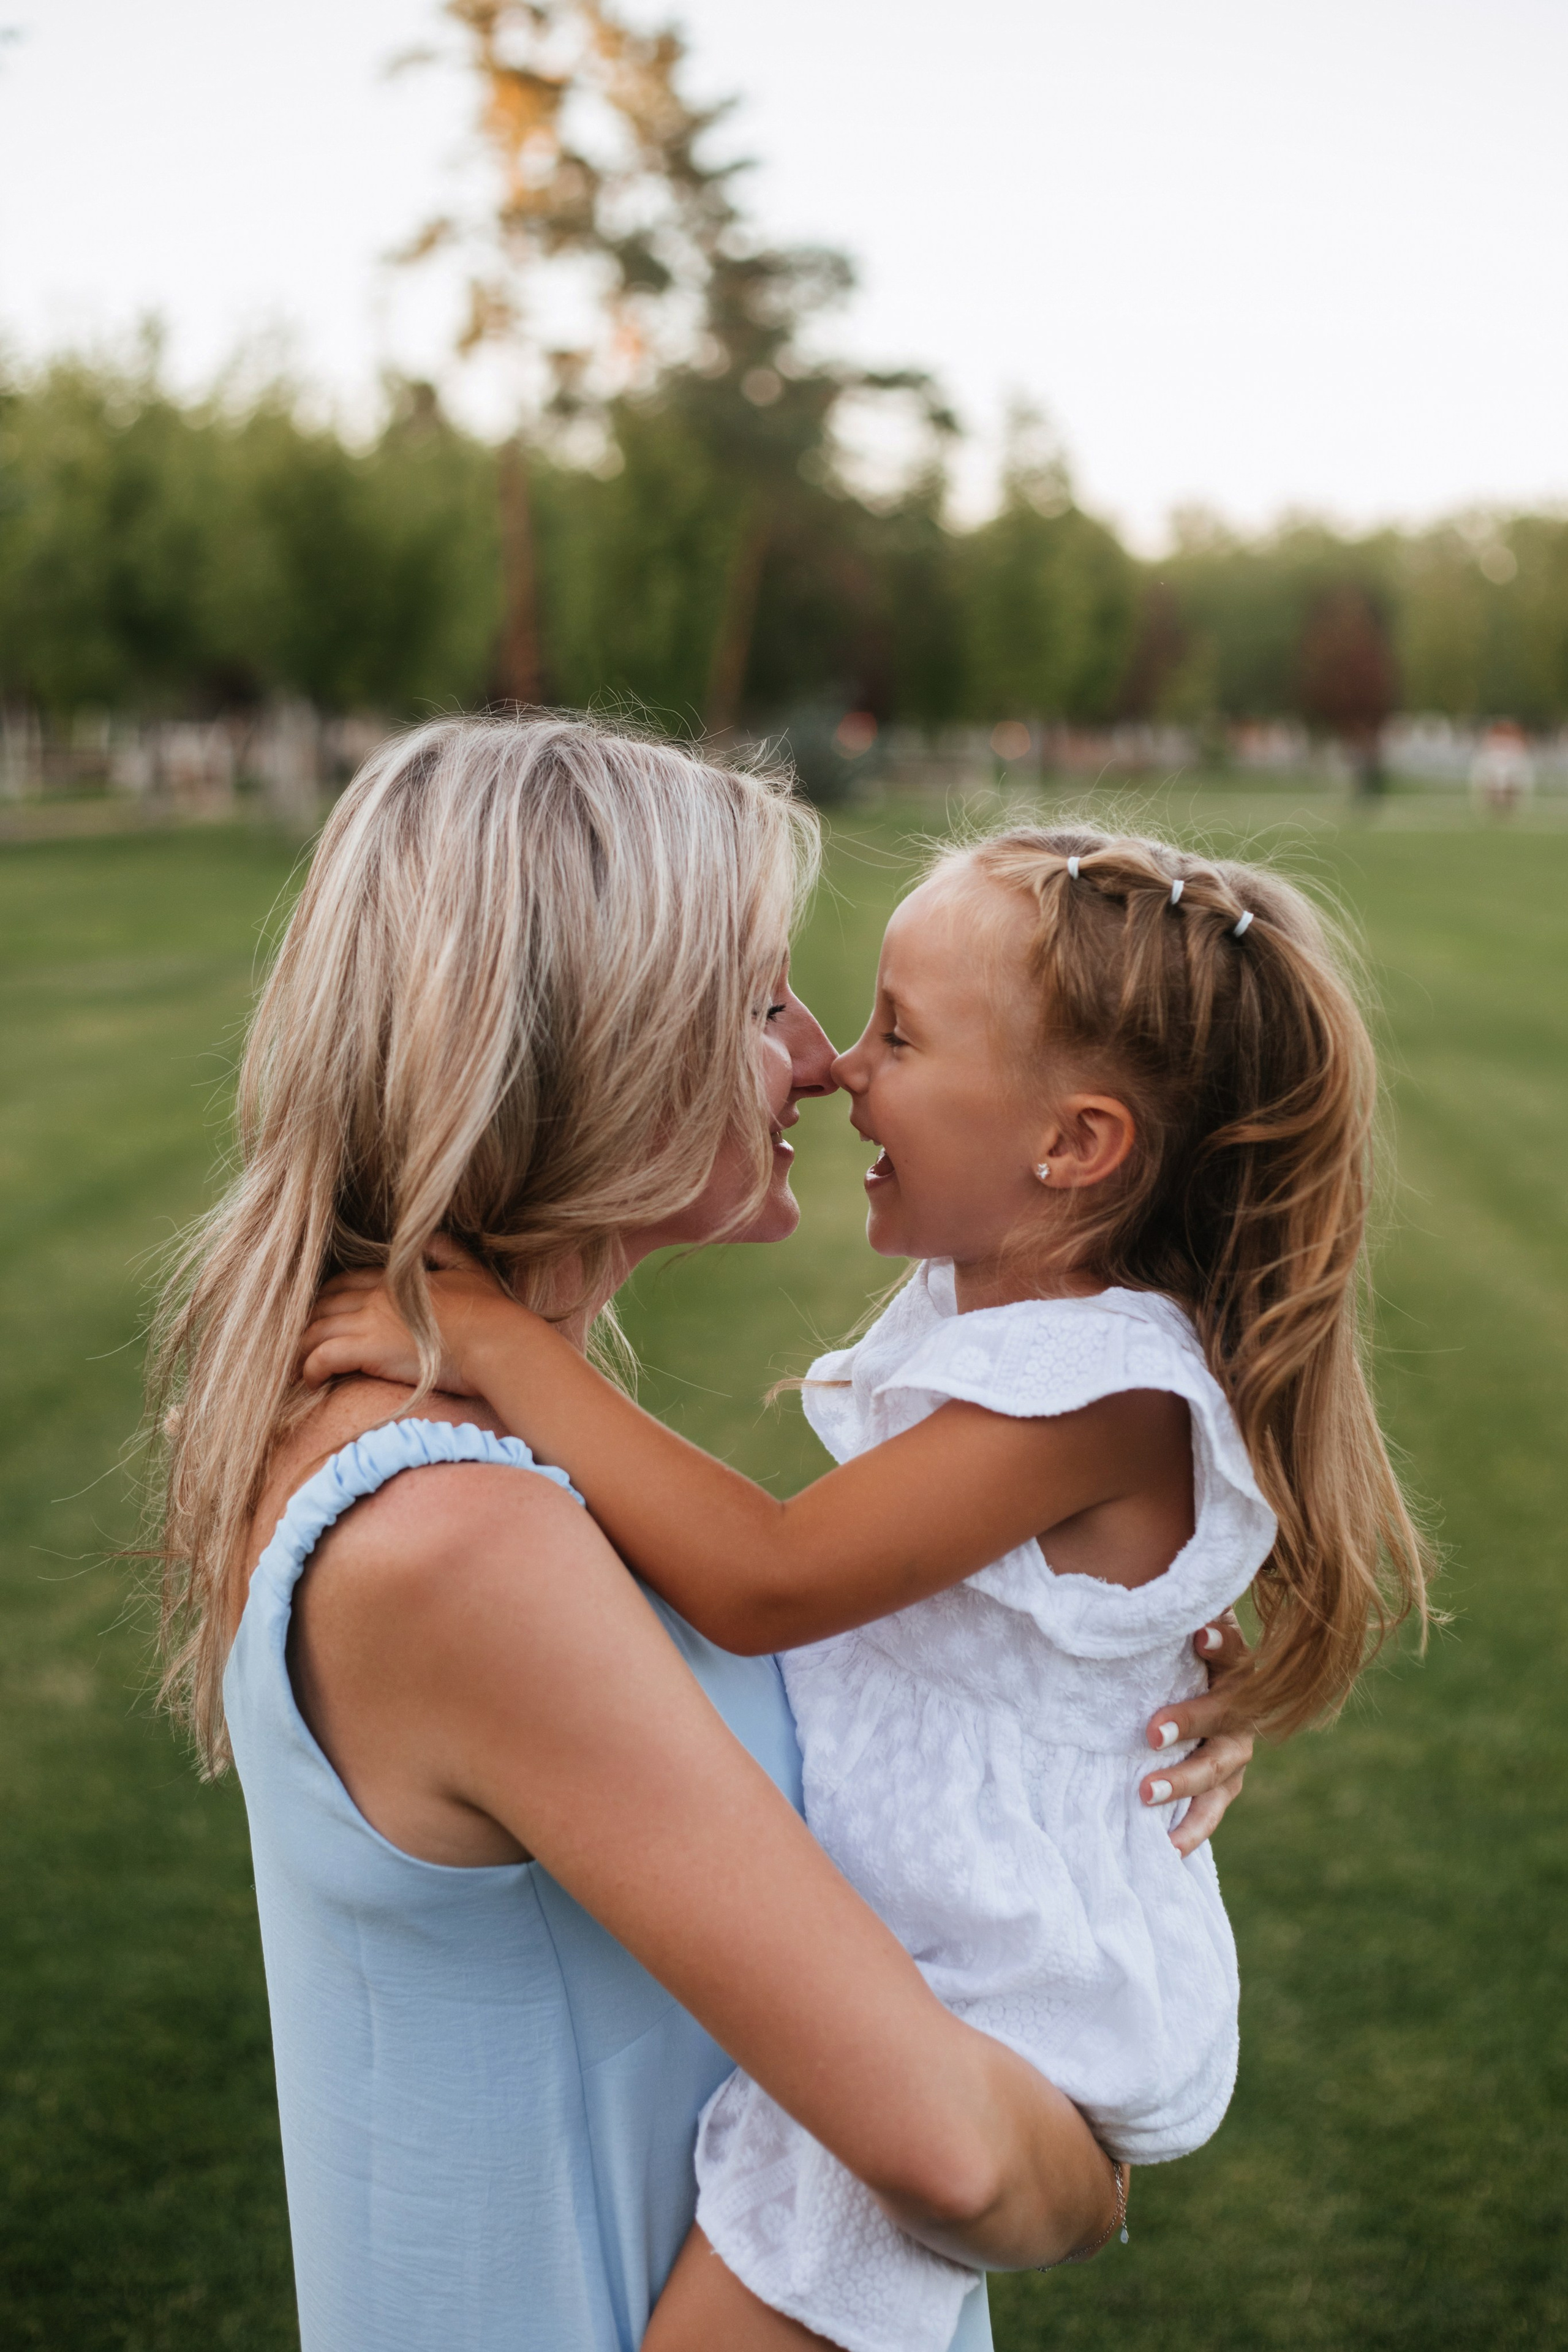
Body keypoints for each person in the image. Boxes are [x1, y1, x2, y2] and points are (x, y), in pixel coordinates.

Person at [151, 717, 1256, 2352]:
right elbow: (953, 2157)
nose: (820, 1055)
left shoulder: (455, 1451)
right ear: (587, 1039)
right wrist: (1081, 2187)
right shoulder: (461, 1537)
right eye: (759, 999)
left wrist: (1098, 1711)